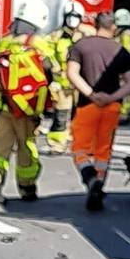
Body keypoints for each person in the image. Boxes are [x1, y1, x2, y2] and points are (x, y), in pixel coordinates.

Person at [64, 11, 130, 212]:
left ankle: (89, 177)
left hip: (86, 106)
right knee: (103, 150)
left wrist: (92, 94)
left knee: (79, 148)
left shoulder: (80, 46)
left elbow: (72, 73)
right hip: (111, 107)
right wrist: (111, 97)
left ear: (95, 24)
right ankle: (98, 187)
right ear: (113, 27)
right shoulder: (120, 51)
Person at [0, 5, 51, 203]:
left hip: (4, 106)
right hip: (27, 108)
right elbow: (51, 71)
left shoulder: (4, 43)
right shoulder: (40, 45)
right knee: (26, 147)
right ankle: (27, 187)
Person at [38, 8, 83, 154]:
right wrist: (53, 67)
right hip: (62, 85)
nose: (72, 20)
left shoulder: (85, 35)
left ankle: (81, 144)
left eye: (75, 17)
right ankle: (57, 145)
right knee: (61, 116)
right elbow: (45, 52)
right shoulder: (56, 36)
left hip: (82, 84)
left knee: (82, 115)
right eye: (69, 16)